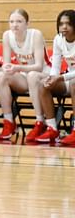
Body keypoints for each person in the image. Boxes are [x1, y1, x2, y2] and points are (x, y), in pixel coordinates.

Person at [0, 9, 48, 141]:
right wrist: (6, 67)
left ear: (27, 23)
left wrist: (17, 67)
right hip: (25, 74)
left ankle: (40, 121)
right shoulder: (7, 35)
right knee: (2, 76)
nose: (15, 25)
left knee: (32, 75)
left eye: (19, 21)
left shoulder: (36, 35)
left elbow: (39, 66)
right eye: (12, 21)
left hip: (44, 73)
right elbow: (7, 63)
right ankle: (9, 121)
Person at [28, 10, 75, 144]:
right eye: (61, 24)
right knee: (44, 84)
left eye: (68, 24)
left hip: (71, 80)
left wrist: (60, 78)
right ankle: (52, 128)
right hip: (68, 78)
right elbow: (55, 65)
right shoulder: (58, 39)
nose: (64, 27)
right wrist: (53, 78)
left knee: (74, 84)